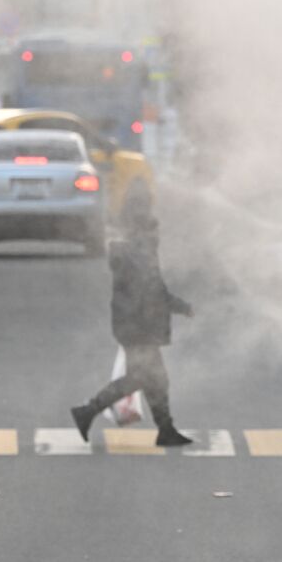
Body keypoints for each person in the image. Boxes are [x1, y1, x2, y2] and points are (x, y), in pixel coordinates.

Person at [71, 187, 195, 447]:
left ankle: (165, 429)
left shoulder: (128, 243)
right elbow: (151, 288)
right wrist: (178, 306)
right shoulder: (141, 244)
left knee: (154, 380)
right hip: (140, 325)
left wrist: (175, 306)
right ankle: (88, 410)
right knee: (143, 378)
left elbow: (149, 287)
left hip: (132, 323)